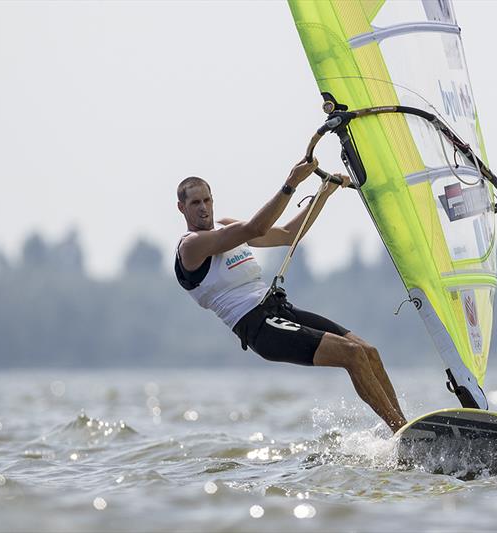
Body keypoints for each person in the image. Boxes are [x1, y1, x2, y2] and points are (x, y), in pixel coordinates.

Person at [174, 158, 407, 432]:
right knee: (352, 355)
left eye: (207, 200)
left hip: (279, 309)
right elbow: (255, 229)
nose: (203, 208)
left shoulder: (225, 226)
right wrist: (291, 183)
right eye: (195, 203)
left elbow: (288, 233)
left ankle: (407, 428)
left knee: (368, 351)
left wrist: (323, 194)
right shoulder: (192, 246)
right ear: (182, 208)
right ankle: (400, 431)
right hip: (259, 327)